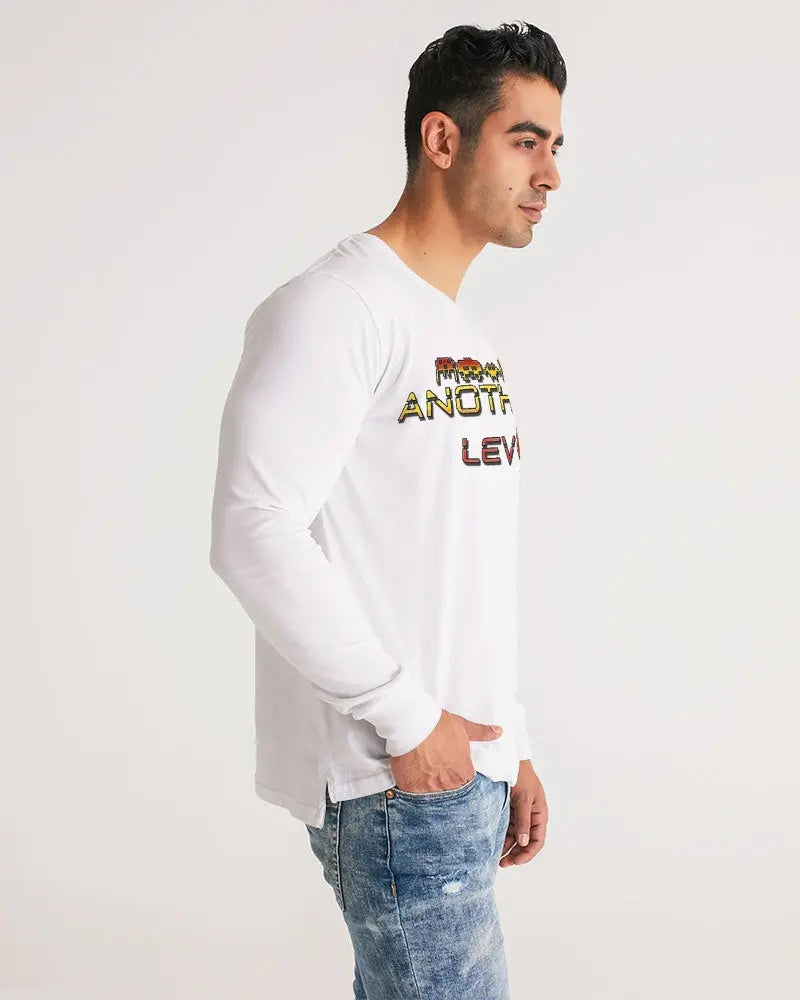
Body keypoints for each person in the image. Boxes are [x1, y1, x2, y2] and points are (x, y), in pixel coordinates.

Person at [209, 19, 565, 999]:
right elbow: (251, 528)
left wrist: (510, 743)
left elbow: (458, 558)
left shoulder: (461, 336)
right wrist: (407, 721)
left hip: (460, 768)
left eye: (554, 146)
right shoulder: (336, 308)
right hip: (393, 775)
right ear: (441, 138)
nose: (549, 175)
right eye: (524, 141)